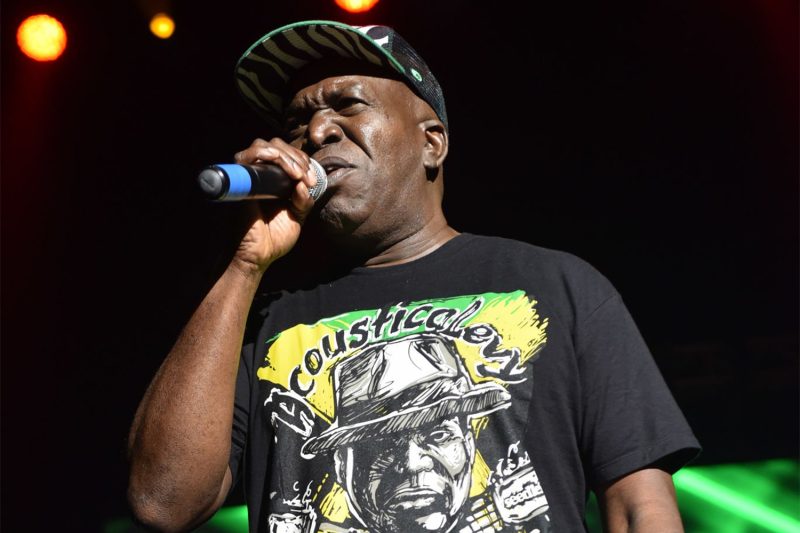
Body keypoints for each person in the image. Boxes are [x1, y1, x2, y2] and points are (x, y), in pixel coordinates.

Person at [127, 20, 700, 533]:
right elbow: (161, 503)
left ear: (431, 143)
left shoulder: (557, 285)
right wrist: (245, 264)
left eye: (348, 105)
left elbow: (639, 509)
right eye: (297, 120)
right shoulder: (263, 320)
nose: (317, 131)